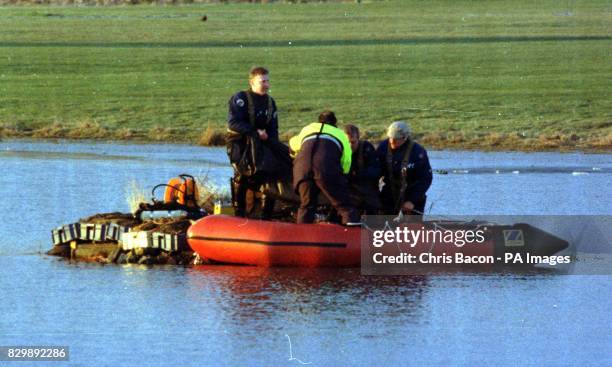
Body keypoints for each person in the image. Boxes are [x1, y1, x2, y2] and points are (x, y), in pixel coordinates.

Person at [225, 66, 283, 219]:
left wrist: (273, 146)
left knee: (270, 175)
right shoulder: (240, 98)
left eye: (267, 81)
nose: (266, 84)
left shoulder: (271, 103)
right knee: (243, 176)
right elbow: (233, 123)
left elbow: (273, 129)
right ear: (251, 82)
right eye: (262, 81)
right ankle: (240, 214)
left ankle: (266, 216)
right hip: (241, 142)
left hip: (262, 143)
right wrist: (255, 132)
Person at [290, 111, 360, 225]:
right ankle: (353, 230)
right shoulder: (339, 134)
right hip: (326, 169)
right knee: (343, 205)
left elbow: (293, 144)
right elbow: (346, 159)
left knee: (306, 205)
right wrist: (344, 175)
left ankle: (301, 235)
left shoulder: (307, 129)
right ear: (334, 123)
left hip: (302, 169)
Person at [377, 121, 432, 218]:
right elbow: (375, 173)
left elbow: (425, 179)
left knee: (411, 230)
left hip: (413, 196)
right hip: (388, 195)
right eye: (390, 138)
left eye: (396, 139)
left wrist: (412, 200)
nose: (392, 141)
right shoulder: (383, 147)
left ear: (405, 138)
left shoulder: (418, 152)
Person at [343, 124, 381, 214]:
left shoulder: (366, 148)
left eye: (352, 142)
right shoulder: (339, 150)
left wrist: (357, 174)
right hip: (347, 192)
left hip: (366, 190)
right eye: (346, 142)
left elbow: (376, 171)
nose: (349, 145)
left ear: (358, 139)